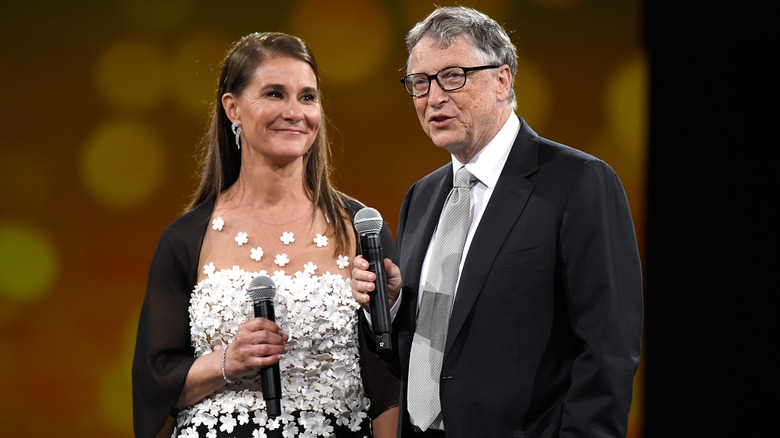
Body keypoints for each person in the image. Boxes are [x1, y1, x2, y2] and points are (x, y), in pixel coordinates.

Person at [351, 6, 643, 438]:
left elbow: (608, 349)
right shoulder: (422, 197)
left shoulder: (577, 182)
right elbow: (431, 344)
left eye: (453, 76)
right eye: (420, 83)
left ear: (502, 80)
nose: (433, 98)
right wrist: (392, 306)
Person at [132, 32, 399, 438]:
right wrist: (228, 361)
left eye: (307, 97)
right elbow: (155, 385)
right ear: (232, 108)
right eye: (275, 94)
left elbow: (390, 381)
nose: (294, 112)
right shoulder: (185, 239)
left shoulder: (361, 227)